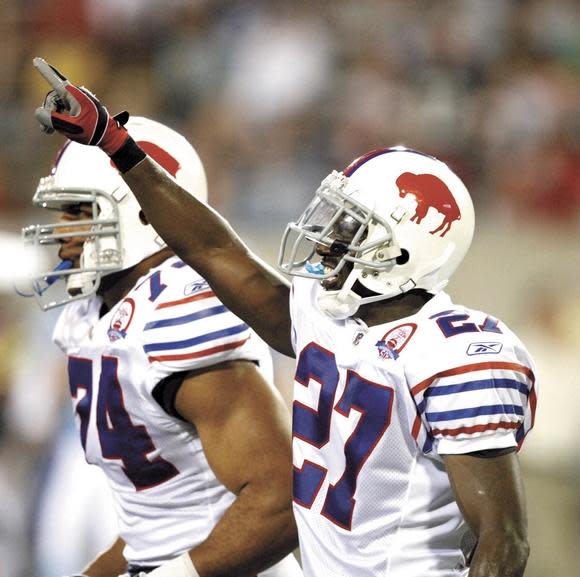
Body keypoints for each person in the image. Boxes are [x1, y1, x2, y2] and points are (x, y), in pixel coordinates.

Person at [33, 58, 538, 577]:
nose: (328, 235)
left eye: (352, 225)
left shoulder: (456, 352)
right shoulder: (327, 321)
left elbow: (503, 542)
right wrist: (118, 145)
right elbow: (213, 250)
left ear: (407, 247)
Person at [23, 104, 301, 577]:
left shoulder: (176, 311)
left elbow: (282, 500)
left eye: (79, 211)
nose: (62, 234)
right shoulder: (92, 319)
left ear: (145, 215)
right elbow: (157, 531)